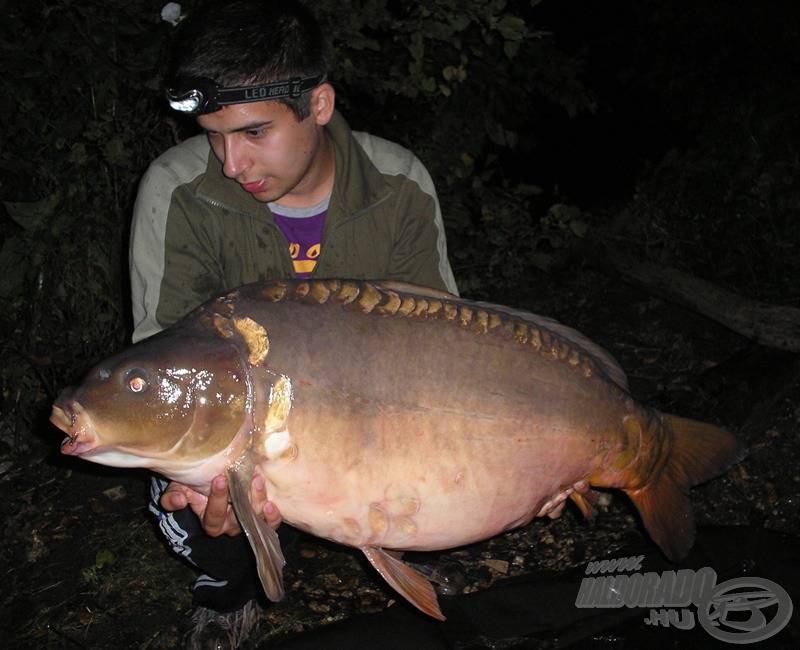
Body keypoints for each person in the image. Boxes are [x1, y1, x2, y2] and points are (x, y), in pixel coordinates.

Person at [128, 0, 458, 647]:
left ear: (320, 105)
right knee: (187, 470)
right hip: (244, 418)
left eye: (253, 132)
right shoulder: (176, 191)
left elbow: (445, 348)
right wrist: (201, 483)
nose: (230, 163)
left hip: (375, 414)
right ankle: (227, 589)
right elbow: (168, 361)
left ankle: (410, 533)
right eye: (213, 134)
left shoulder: (400, 183)